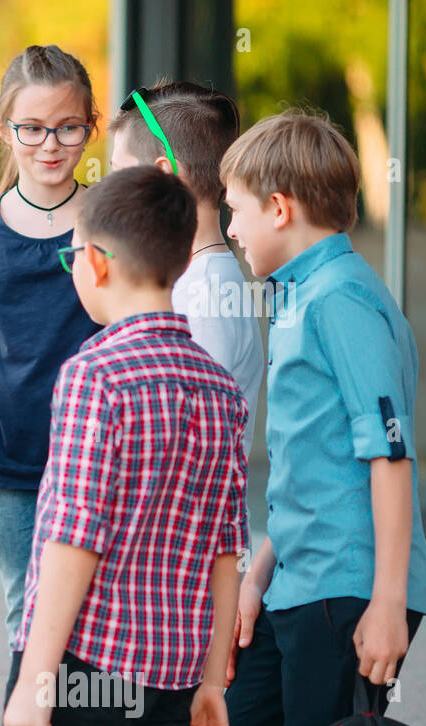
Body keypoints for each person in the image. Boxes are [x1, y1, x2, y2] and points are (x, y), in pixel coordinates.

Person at [2, 166, 248, 726]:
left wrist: (35, 681)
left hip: (83, 664)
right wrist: (209, 684)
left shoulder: (96, 374)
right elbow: (226, 546)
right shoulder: (218, 387)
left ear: (98, 262)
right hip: (170, 674)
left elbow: (74, 541)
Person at [203, 111, 426, 726]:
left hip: (347, 594)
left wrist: (389, 604)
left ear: (280, 208)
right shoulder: (299, 294)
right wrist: (258, 573)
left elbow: (388, 457)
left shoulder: (341, 300)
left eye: (235, 209)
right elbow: (311, 474)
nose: (231, 230)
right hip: (297, 583)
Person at [0, 45, 102, 698]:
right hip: (16, 467)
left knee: (98, 627)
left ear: (88, 127)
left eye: (67, 127)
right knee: (26, 621)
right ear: (5, 129)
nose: (50, 144)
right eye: (32, 128)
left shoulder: (110, 220)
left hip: (97, 460)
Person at [109, 80, 263, 457]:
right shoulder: (191, 278)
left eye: (119, 172)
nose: (109, 188)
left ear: (163, 175)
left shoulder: (208, 293)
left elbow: (191, 432)